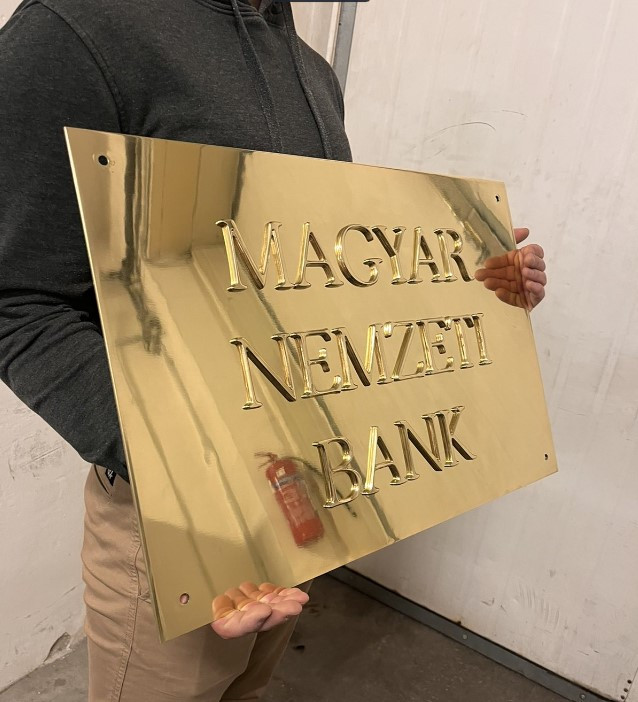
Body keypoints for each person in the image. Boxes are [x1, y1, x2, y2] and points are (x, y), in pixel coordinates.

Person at [0, 0, 547, 699]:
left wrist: (466, 287)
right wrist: (201, 480)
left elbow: (317, 282)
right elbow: (17, 302)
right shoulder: (77, 28)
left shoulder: (312, 73)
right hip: (177, 514)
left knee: (244, 691)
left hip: (302, 486)